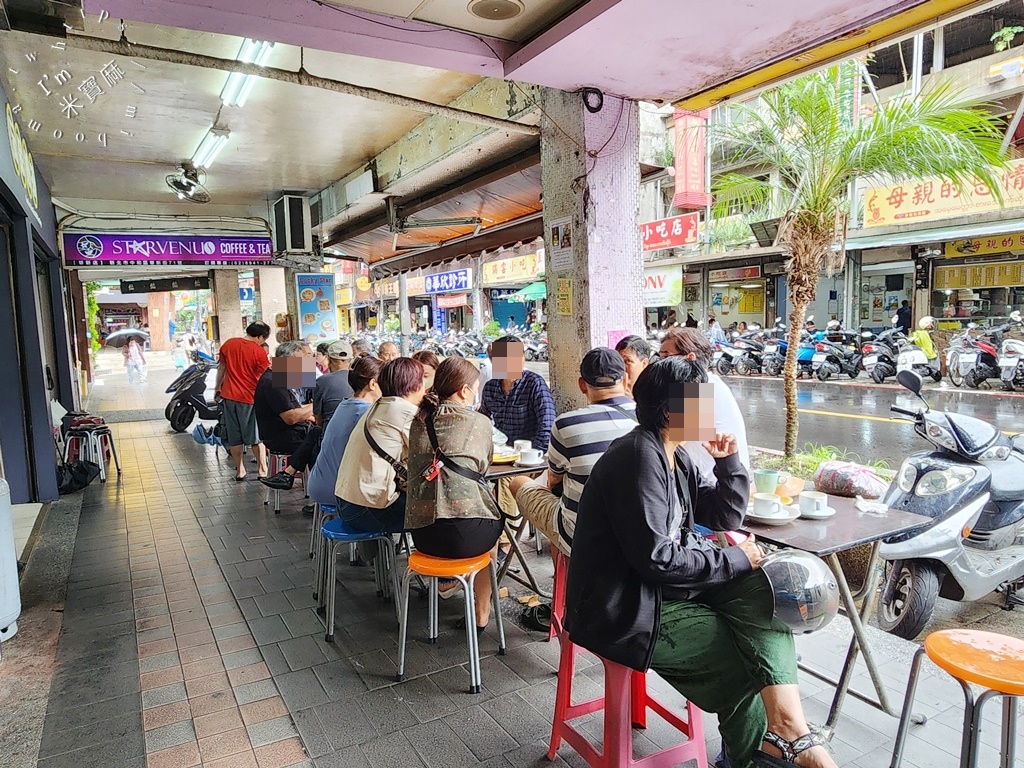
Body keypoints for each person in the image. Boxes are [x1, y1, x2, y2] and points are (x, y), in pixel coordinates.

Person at [567, 357, 837, 768]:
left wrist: (728, 464)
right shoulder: (640, 458)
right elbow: (657, 560)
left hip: (663, 590)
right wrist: (734, 558)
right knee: (749, 672)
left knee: (765, 590)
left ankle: (788, 729)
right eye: (700, 403)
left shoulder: (675, 455)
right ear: (670, 411)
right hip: (627, 608)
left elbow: (721, 519)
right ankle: (759, 752)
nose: (709, 412)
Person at [406, 357, 505, 631]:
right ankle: (481, 611)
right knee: (493, 528)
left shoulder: (418, 420)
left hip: (423, 535)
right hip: (464, 537)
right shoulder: (479, 422)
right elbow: (483, 466)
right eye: (474, 389)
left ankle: (449, 582)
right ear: (463, 390)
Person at [510, 348, 637, 558]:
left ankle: (563, 581)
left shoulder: (567, 424)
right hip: (635, 532)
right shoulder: (647, 418)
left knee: (519, 483)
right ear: (624, 381)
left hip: (581, 535)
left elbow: (554, 479)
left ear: (581, 385)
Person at [335, 358, 425, 532]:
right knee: (436, 512)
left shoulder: (378, 406)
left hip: (345, 502)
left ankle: (375, 557)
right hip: (367, 510)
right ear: (416, 385)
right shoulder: (405, 412)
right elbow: (429, 454)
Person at [657, 328, 751, 474]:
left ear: (690, 358)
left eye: (666, 357)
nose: (659, 365)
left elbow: (674, 443)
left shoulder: (697, 387)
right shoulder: (707, 381)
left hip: (711, 483)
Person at [307, 356, 383, 506]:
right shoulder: (365, 413)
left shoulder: (346, 404)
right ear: (372, 384)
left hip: (318, 485)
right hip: (337, 491)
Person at [215, 321, 271, 481]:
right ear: (260, 337)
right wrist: (302, 370)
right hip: (249, 398)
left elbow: (221, 368)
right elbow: (267, 374)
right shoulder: (258, 351)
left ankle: (240, 470)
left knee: (234, 436)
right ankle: (262, 470)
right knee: (255, 437)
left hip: (228, 396)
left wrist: (217, 388)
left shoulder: (229, 344)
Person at [480, 335, 555, 451]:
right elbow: (482, 420)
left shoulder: (534, 384)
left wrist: (532, 454)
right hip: (501, 452)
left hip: (528, 454)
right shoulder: (490, 387)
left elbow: (547, 426)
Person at [254, 341, 317, 477]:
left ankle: (293, 474)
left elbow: (298, 407)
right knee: (322, 443)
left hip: (288, 431)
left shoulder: (279, 377)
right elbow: (291, 417)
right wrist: (317, 405)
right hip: (283, 436)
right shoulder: (272, 382)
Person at [313, 341, 355, 428]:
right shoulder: (362, 379)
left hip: (330, 433)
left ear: (328, 359)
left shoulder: (321, 381)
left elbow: (318, 420)